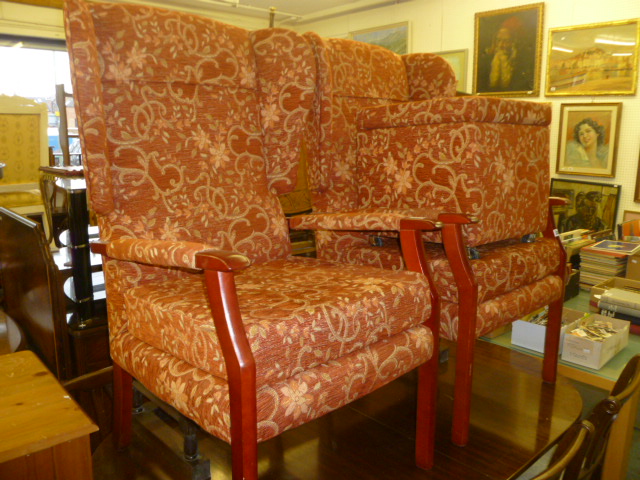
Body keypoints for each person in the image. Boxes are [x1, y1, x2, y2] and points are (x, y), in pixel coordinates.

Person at [477, 16, 534, 93]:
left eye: (506, 41)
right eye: (498, 40)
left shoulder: (523, 63)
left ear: (514, 42)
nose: (500, 45)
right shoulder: (486, 61)